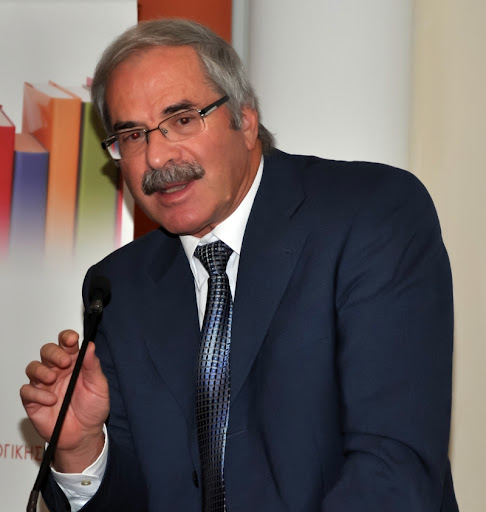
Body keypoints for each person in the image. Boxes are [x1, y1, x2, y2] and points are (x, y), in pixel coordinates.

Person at [20, 18, 458, 512]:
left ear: (246, 120)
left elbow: (392, 470)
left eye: (182, 119)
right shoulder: (120, 286)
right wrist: (82, 449)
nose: (157, 156)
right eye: (134, 135)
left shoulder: (371, 214)